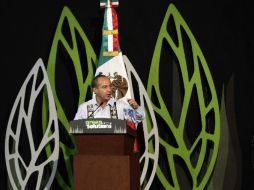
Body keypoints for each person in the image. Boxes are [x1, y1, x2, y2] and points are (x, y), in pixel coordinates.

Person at [74, 74, 145, 124]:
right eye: (105, 87)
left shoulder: (120, 106)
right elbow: (76, 129)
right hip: (92, 145)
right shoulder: (84, 108)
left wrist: (136, 107)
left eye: (110, 86)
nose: (109, 90)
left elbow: (139, 118)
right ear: (95, 90)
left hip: (116, 144)